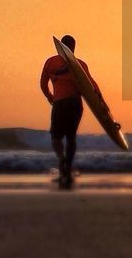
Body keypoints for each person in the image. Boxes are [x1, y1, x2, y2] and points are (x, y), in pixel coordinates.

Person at [40, 35, 99, 189]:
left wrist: (50, 97)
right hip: (75, 104)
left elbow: (43, 84)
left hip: (60, 103)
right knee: (71, 137)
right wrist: (102, 105)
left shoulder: (51, 62)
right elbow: (92, 86)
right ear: (72, 47)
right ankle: (68, 167)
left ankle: (62, 161)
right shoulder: (79, 65)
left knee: (56, 136)